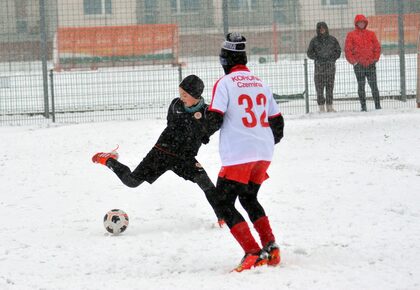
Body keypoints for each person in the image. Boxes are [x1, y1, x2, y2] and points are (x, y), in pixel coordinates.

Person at [92, 75, 223, 226]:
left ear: (196, 95)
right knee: (131, 182)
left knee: (206, 184)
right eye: (180, 93)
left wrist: (204, 131)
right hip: (161, 153)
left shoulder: (208, 113)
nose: (181, 98)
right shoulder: (175, 105)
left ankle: (222, 218)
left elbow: (210, 130)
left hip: (185, 158)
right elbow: (174, 127)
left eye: (185, 95)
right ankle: (108, 159)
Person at [206, 32, 285, 272]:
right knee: (249, 198)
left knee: (223, 203)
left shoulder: (225, 83)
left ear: (225, 61)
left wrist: (200, 135)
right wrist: (262, 141)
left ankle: (252, 252)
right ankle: (270, 246)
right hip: (264, 152)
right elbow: (278, 124)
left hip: (239, 154)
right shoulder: (260, 82)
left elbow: (215, 119)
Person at [345, 14, 382, 111]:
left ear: (365, 23)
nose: (361, 24)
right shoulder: (351, 35)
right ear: (356, 23)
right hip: (359, 65)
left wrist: (375, 59)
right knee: (361, 86)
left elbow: (377, 47)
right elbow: (348, 50)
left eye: (363, 22)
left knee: (374, 85)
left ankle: (378, 106)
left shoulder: (371, 34)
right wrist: (354, 62)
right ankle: (363, 106)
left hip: (370, 63)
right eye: (359, 22)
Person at [307, 21, 341, 113]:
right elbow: (309, 53)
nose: (322, 30)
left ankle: (330, 106)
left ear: (326, 28)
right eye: (320, 28)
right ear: (318, 29)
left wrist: (332, 59)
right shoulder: (314, 41)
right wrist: (317, 58)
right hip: (319, 69)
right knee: (319, 88)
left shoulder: (332, 40)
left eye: (323, 28)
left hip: (330, 68)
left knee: (330, 87)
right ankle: (321, 107)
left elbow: (338, 51)